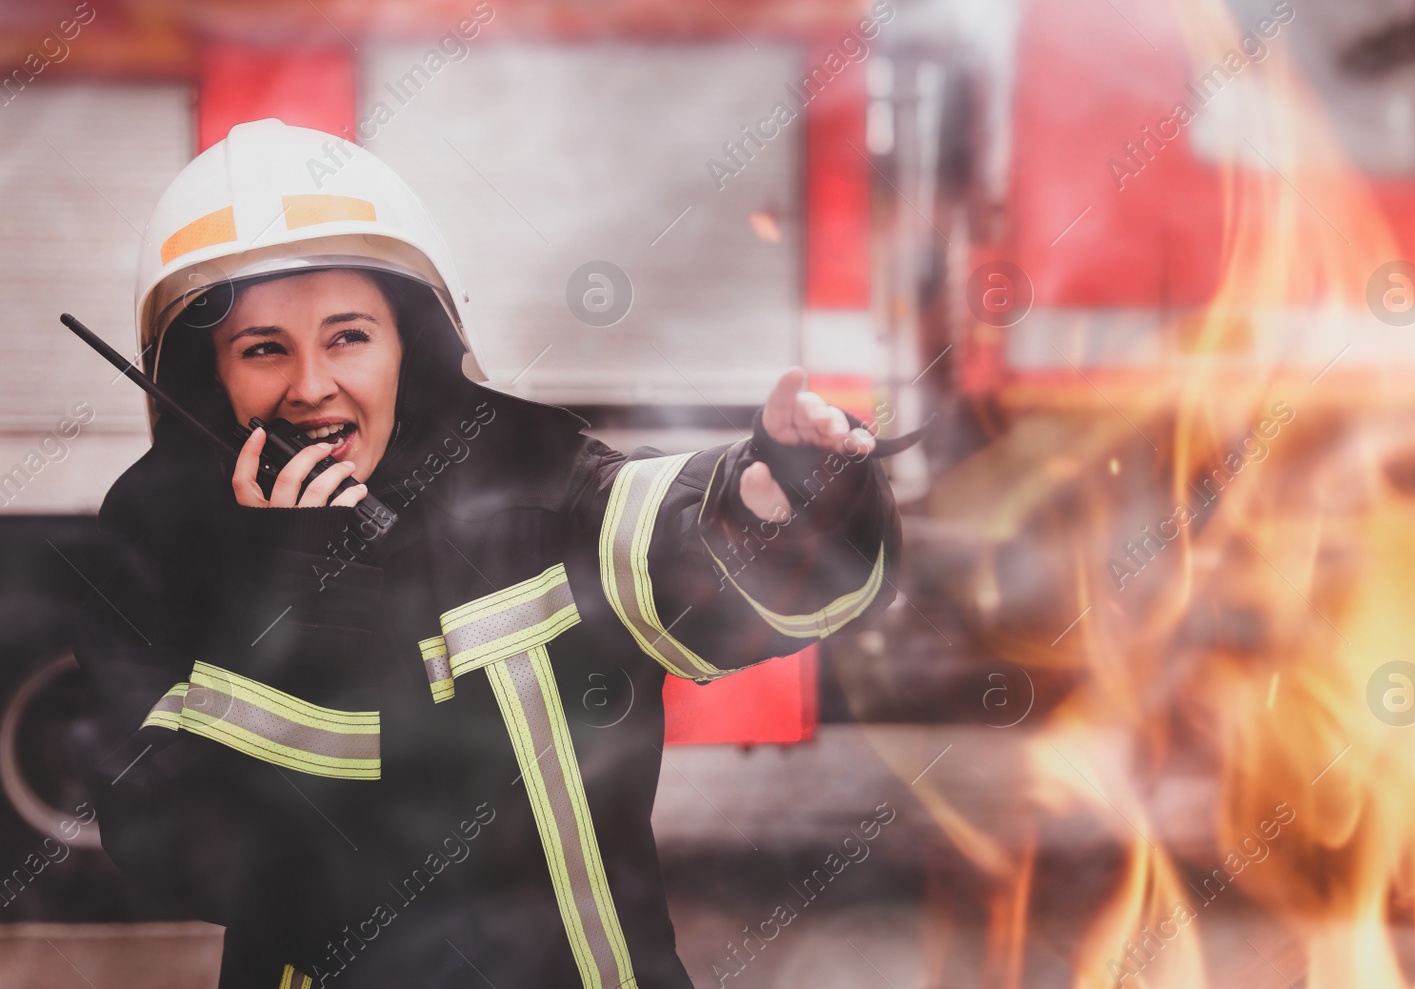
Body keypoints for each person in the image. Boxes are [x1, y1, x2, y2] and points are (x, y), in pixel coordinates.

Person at [74, 119, 901, 989]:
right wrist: (293, 600)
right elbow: (171, 843)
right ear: (209, 376)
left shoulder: (540, 487)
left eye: (348, 335)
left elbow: (689, 550)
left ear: (409, 343)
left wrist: (781, 495)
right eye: (263, 348)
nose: (311, 384)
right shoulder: (159, 551)